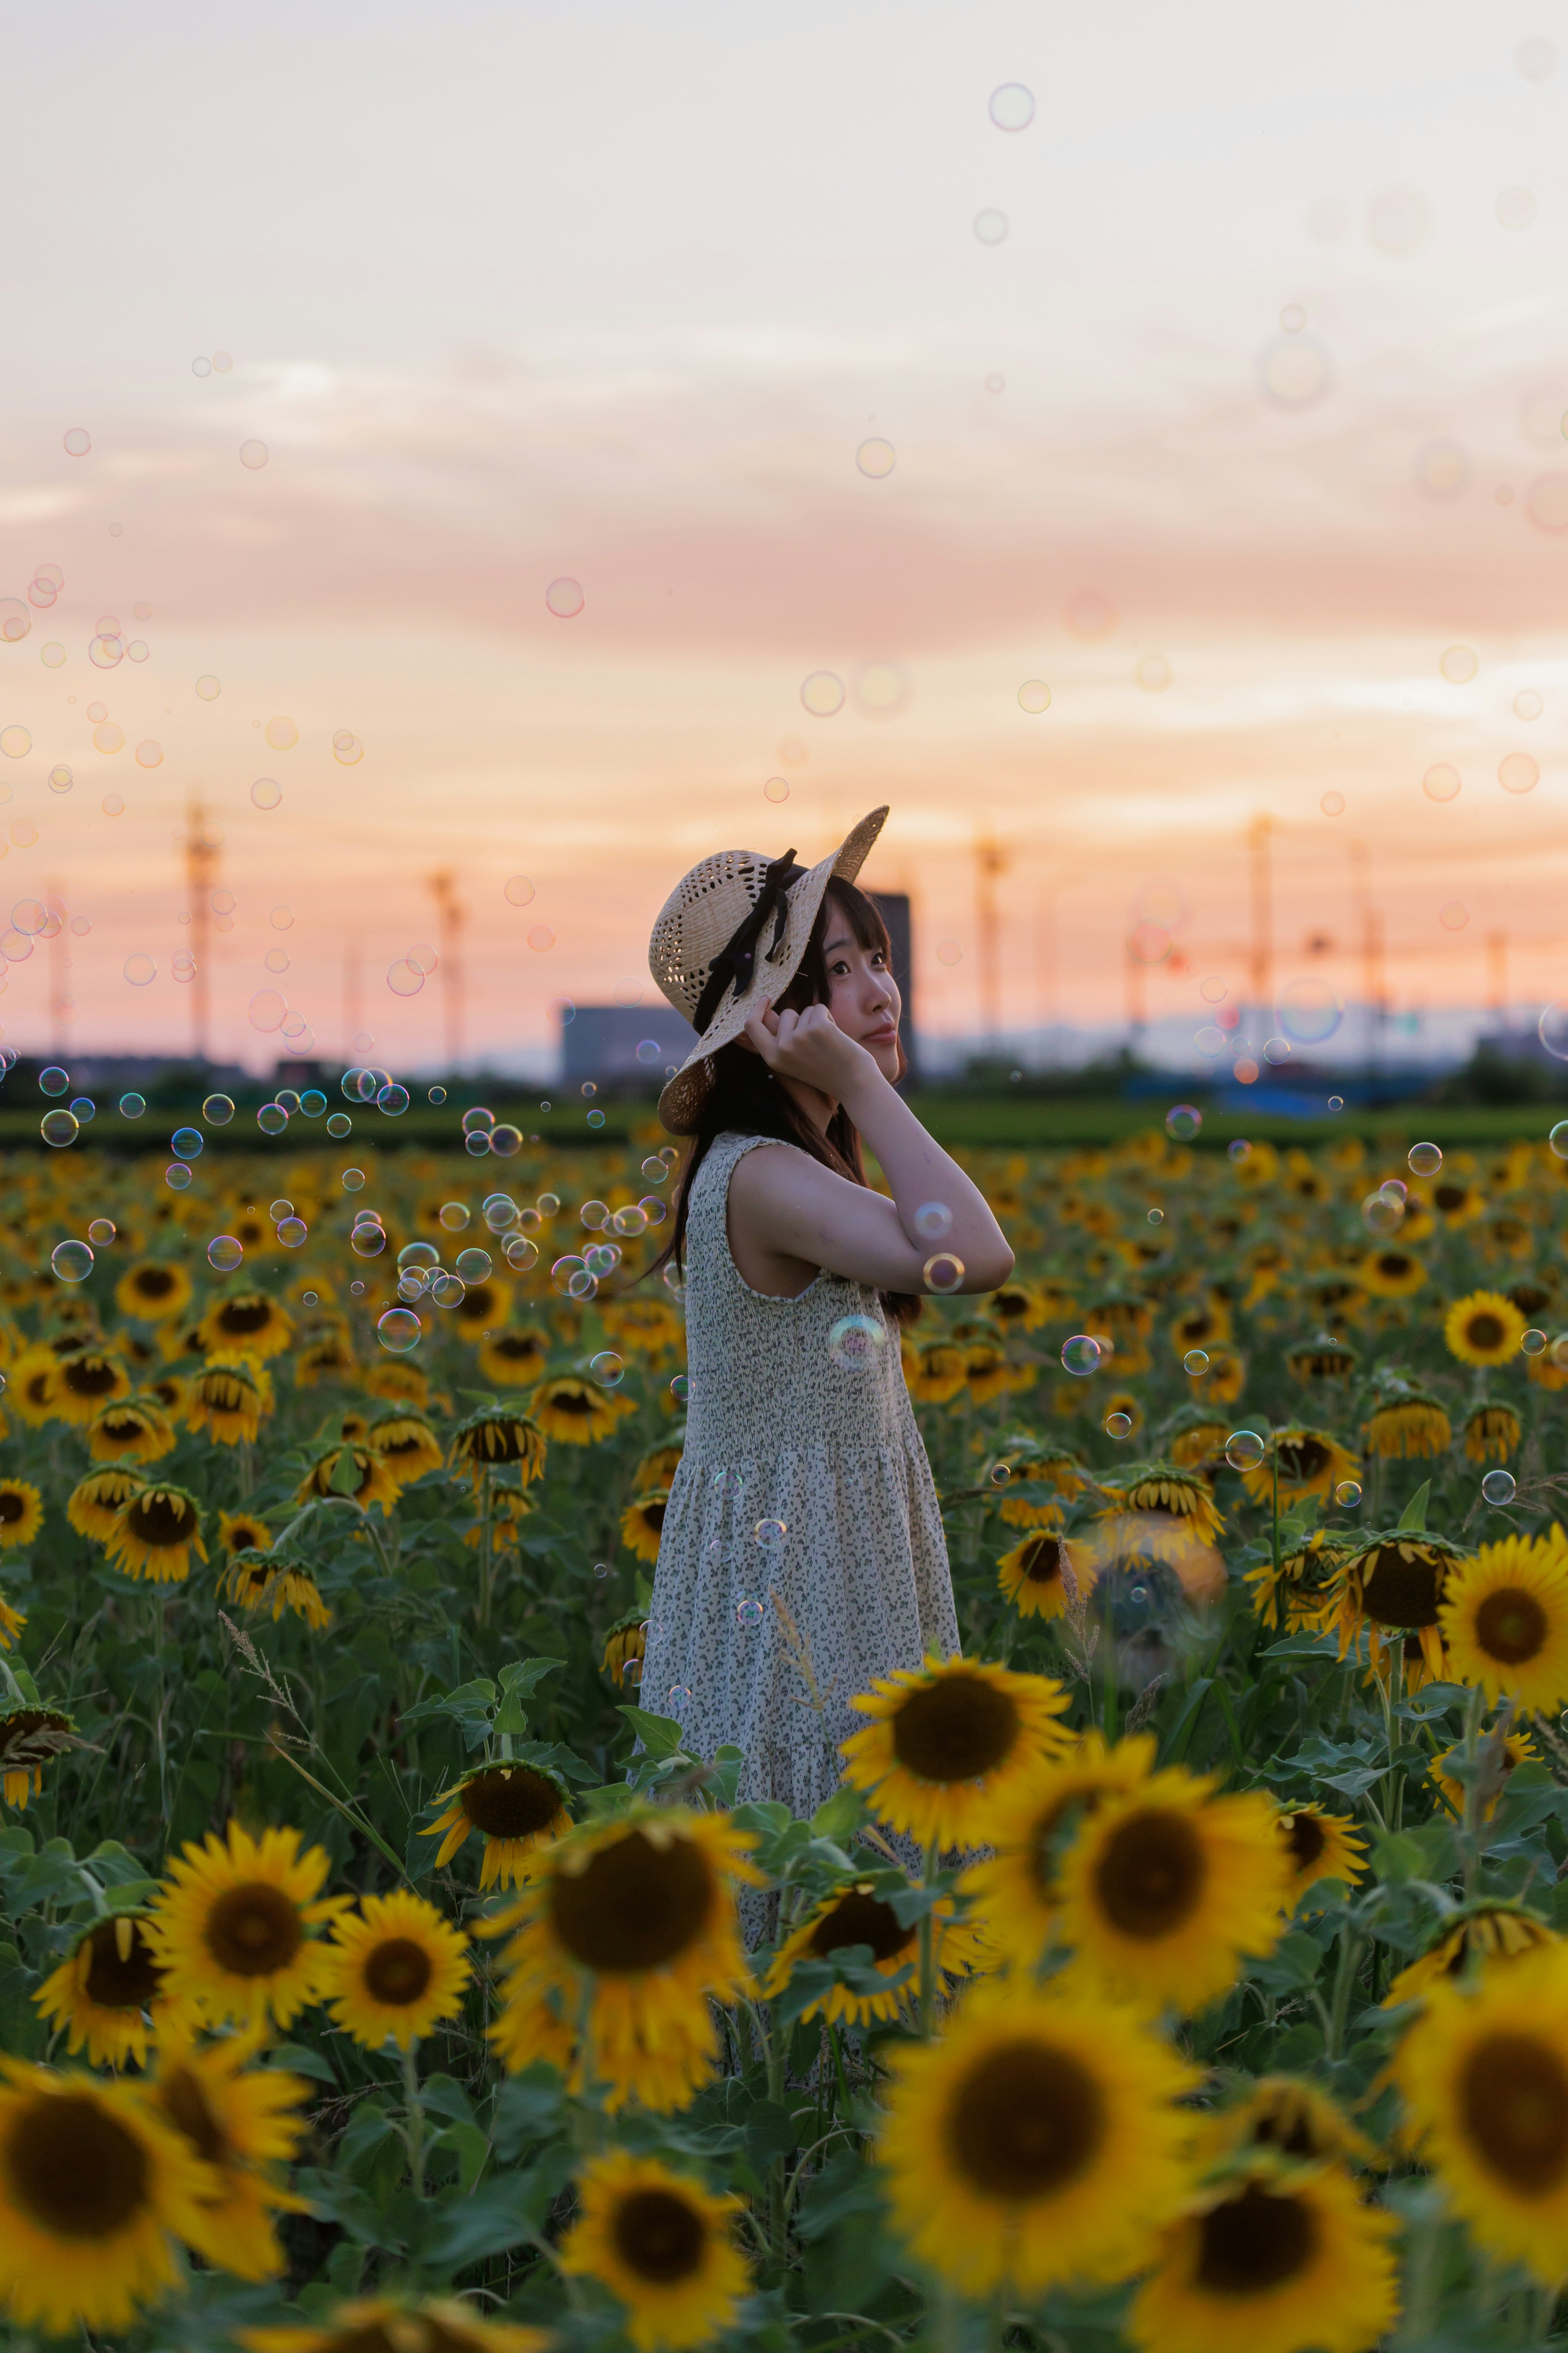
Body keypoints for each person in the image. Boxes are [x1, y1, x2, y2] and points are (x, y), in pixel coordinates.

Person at [638, 806, 1013, 1822]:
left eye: (878, 957)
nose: (881, 989)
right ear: (770, 1019)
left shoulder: (802, 1168)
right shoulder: (762, 1177)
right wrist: (861, 1080)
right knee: (822, 1868)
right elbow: (977, 1254)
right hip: (793, 1591)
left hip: (835, 1559)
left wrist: (855, 1089)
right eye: (836, 971)